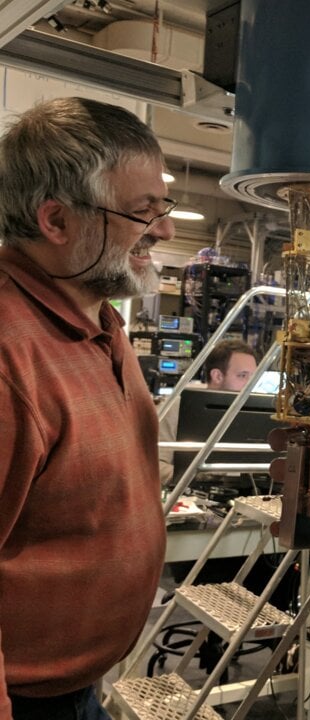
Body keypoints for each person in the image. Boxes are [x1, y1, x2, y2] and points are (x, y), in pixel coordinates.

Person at [0, 97, 174, 720]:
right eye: (142, 212)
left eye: (163, 207)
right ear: (55, 220)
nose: (166, 230)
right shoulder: (9, 353)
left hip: (78, 691)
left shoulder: (97, 318)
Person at [158, 339, 258, 486]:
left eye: (254, 376)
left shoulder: (256, 410)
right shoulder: (178, 407)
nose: (251, 384)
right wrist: (201, 477)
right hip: (192, 498)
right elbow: (155, 466)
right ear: (217, 376)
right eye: (242, 376)